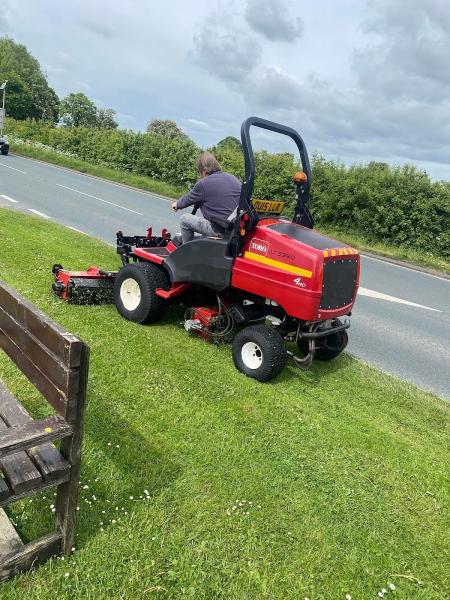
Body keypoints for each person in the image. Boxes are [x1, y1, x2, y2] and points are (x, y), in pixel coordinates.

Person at [172, 152, 241, 244]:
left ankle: (185, 253)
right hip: (235, 230)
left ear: (204, 171)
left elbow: (187, 199)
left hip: (220, 230)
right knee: (205, 224)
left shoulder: (204, 183)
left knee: (184, 219)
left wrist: (177, 204)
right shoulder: (233, 179)